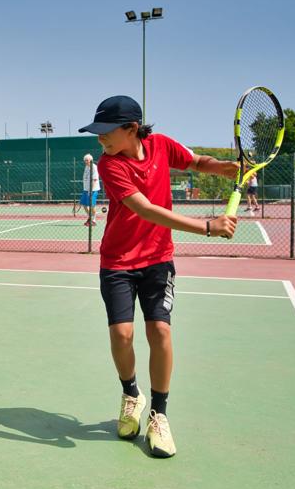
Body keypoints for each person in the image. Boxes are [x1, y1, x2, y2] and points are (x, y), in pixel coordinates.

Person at [78, 95, 238, 458]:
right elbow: (145, 209)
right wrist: (207, 227)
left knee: (160, 331)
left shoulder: (161, 146)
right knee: (122, 334)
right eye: (97, 133)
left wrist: (224, 168)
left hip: (157, 260)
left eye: (106, 132)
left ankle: (159, 416)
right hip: (117, 261)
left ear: (131, 129)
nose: (100, 139)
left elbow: (196, 161)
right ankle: (131, 394)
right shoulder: (109, 164)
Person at [81, 153, 101, 226]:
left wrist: (91, 190)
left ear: (91, 160)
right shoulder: (86, 167)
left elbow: (95, 180)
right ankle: (90, 217)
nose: (86, 162)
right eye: (85, 160)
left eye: (87, 160)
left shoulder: (94, 168)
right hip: (85, 189)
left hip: (93, 190)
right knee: (84, 205)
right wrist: (86, 189)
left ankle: (94, 220)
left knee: (92, 205)